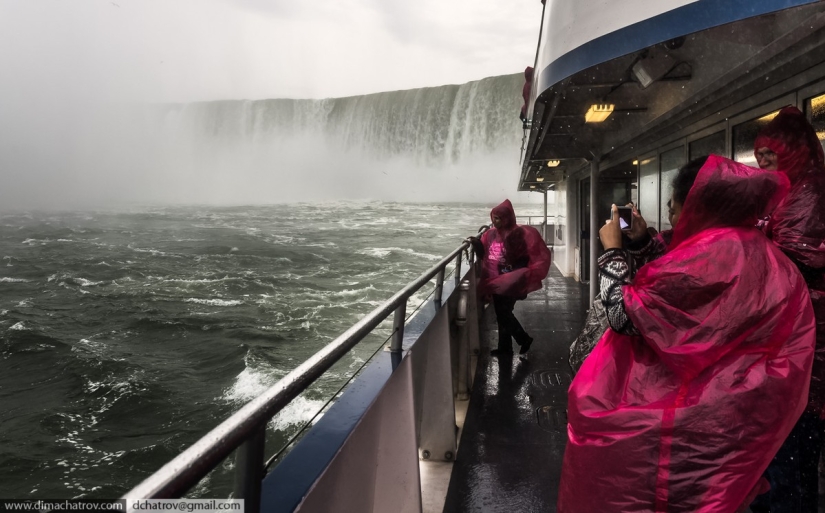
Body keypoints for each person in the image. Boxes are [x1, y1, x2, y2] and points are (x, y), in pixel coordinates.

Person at [558, 156, 816, 512]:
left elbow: (624, 315)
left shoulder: (715, 254)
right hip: (751, 405)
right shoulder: (748, 245)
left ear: (696, 205)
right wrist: (645, 243)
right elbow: (684, 299)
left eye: (675, 209)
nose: (674, 219)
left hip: (713, 413)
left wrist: (613, 253)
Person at [751, 106, 825, 513]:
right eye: (759, 155)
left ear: (793, 152)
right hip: (793, 349)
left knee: (789, 461)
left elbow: (788, 262)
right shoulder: (789, 189)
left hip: (803, 354)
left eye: (770, 155)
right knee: (787, 462)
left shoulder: (808, 192)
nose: (762, 163)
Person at [468, 199, 551, 357]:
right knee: (502, 314)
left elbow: (523, 256)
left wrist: (515, 275)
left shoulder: (517, 234)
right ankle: (505, 348)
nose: (494, 221)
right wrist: (475, 243)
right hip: (497, 280)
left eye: (498, 218)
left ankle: (523, 339)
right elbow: (484, 253)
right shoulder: (491, 234)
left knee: (504, 313)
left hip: (511, 281)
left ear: (507, 218)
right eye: (493, 217)